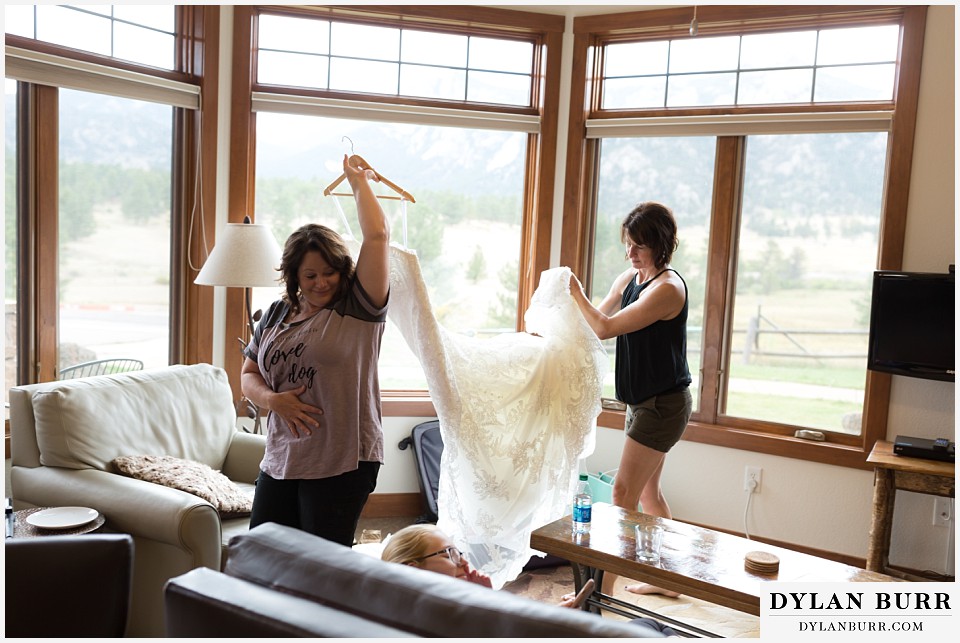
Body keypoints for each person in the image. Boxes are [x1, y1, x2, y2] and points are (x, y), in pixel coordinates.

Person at [241, 154, 390, 546]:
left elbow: (377, 238)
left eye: (330, 273)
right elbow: (248, 374)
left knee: (321, 569)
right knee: (263, 557)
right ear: (293, 276)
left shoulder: (358, 308)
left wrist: (357, 182)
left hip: (342, 461)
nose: (322, 283)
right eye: (310, 275)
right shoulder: (276, 313)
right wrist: (274, 400)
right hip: (282, 457)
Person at [568, 201, 692, 597]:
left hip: (663, 406)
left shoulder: (668, 289)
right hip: (642, 403)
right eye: (628, 245)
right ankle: (667, 580)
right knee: (648, 494)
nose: (630, 254)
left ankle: (604, 586)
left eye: (638, 246)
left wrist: (574, 291)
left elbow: (604, 328)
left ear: (659, 245)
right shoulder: (631, 278)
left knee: (622, 494)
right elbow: (592, 322)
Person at [381, 524, 678, 636]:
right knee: (651, 628)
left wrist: (549, 617)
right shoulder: (444, 616)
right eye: (448, 554)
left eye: (458, 551)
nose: (462, 560)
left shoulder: (414, 607)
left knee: (652, 627)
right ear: (412, 568)